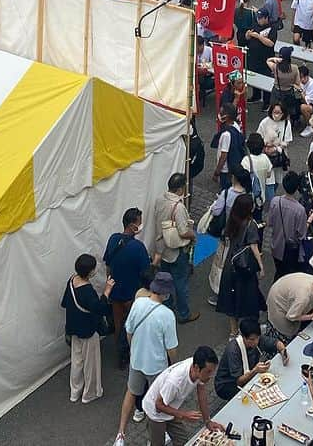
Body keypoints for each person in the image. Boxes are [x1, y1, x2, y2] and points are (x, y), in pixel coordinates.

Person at [114, 273, 179, 446]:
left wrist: (134, 350)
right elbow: (171, 348)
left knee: (131, 392)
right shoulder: (167, 315)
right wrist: (173, 365)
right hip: (157, 365)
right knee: (157, 403)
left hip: (136, 360)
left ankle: (120, 435)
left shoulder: (139, 303)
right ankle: (156, 436)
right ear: (166, 293)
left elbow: (129, 332)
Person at [141, 345, 222, 446]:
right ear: (196, 368)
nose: (211, 375)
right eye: (208, 372)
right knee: (158, 443)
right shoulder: (175, 381)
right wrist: (183, 415)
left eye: (213, 371)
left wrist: (207, 421)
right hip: (155, 413)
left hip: (170, 406)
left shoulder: (199, 371)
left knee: (183, 441)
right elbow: (158, 405)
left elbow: (201, 392)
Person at [62, 253, 112, 403]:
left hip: (73, 326)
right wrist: (107, 291)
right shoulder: (87, 291)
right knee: (91, 363)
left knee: (77, 360)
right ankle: (90, 393)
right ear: (90, 272)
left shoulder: (71, 280)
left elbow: (65, 303)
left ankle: (75, 391)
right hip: (88, 329)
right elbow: (100, 308)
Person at [105, 207, 151, 363]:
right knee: (133, 326)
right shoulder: (138, 248)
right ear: (133, 226)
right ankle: (132, 353)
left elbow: (108, 265)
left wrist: (109, 287)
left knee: (118, 324)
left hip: (115, 292)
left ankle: (120, 353)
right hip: (132, 294)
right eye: (139, 222)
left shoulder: (112, 239)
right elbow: (146, 272)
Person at [215, 192, 265, 332]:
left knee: (232, 298)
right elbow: (254, 246)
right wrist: (261, 266)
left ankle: (233, 331)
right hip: (244, 264)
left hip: (230, 263)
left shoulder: (232, 219)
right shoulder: (251, 224)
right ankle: (249, 329)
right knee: (249, 297)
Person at [152, 173, 198, 324]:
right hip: (176, 251)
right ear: (180, 189)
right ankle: (184, 314)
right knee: (180, 282)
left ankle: (166, 306)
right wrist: (193, 235)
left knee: (165, 280)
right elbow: (183, 231)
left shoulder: (159, 200)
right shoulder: (178, 207)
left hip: (162, 248)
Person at [213, 316, 288, 400]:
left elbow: (276, 343)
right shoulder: (233, 350)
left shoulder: (256, 338)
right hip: (227, 384)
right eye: (252, 339)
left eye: (257, 338)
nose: (255, 342)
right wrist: (255, 370)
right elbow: (239, 381)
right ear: (243, 337)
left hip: (247, 374)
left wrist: (283, 353)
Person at [265, 271, 313, 339]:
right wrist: (311, 316)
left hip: (285, 286)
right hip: (277, 302)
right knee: (289, 330)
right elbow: (291, 317)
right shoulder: (303, 298)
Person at [263, 170, 308, 278]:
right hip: (291, 250)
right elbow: (301, 234)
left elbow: (269, 222)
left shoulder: (275, 201)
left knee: (279, 271)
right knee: (288, 275)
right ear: (297, 188)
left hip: (276, 245)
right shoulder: (300, 209)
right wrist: (309, 220)